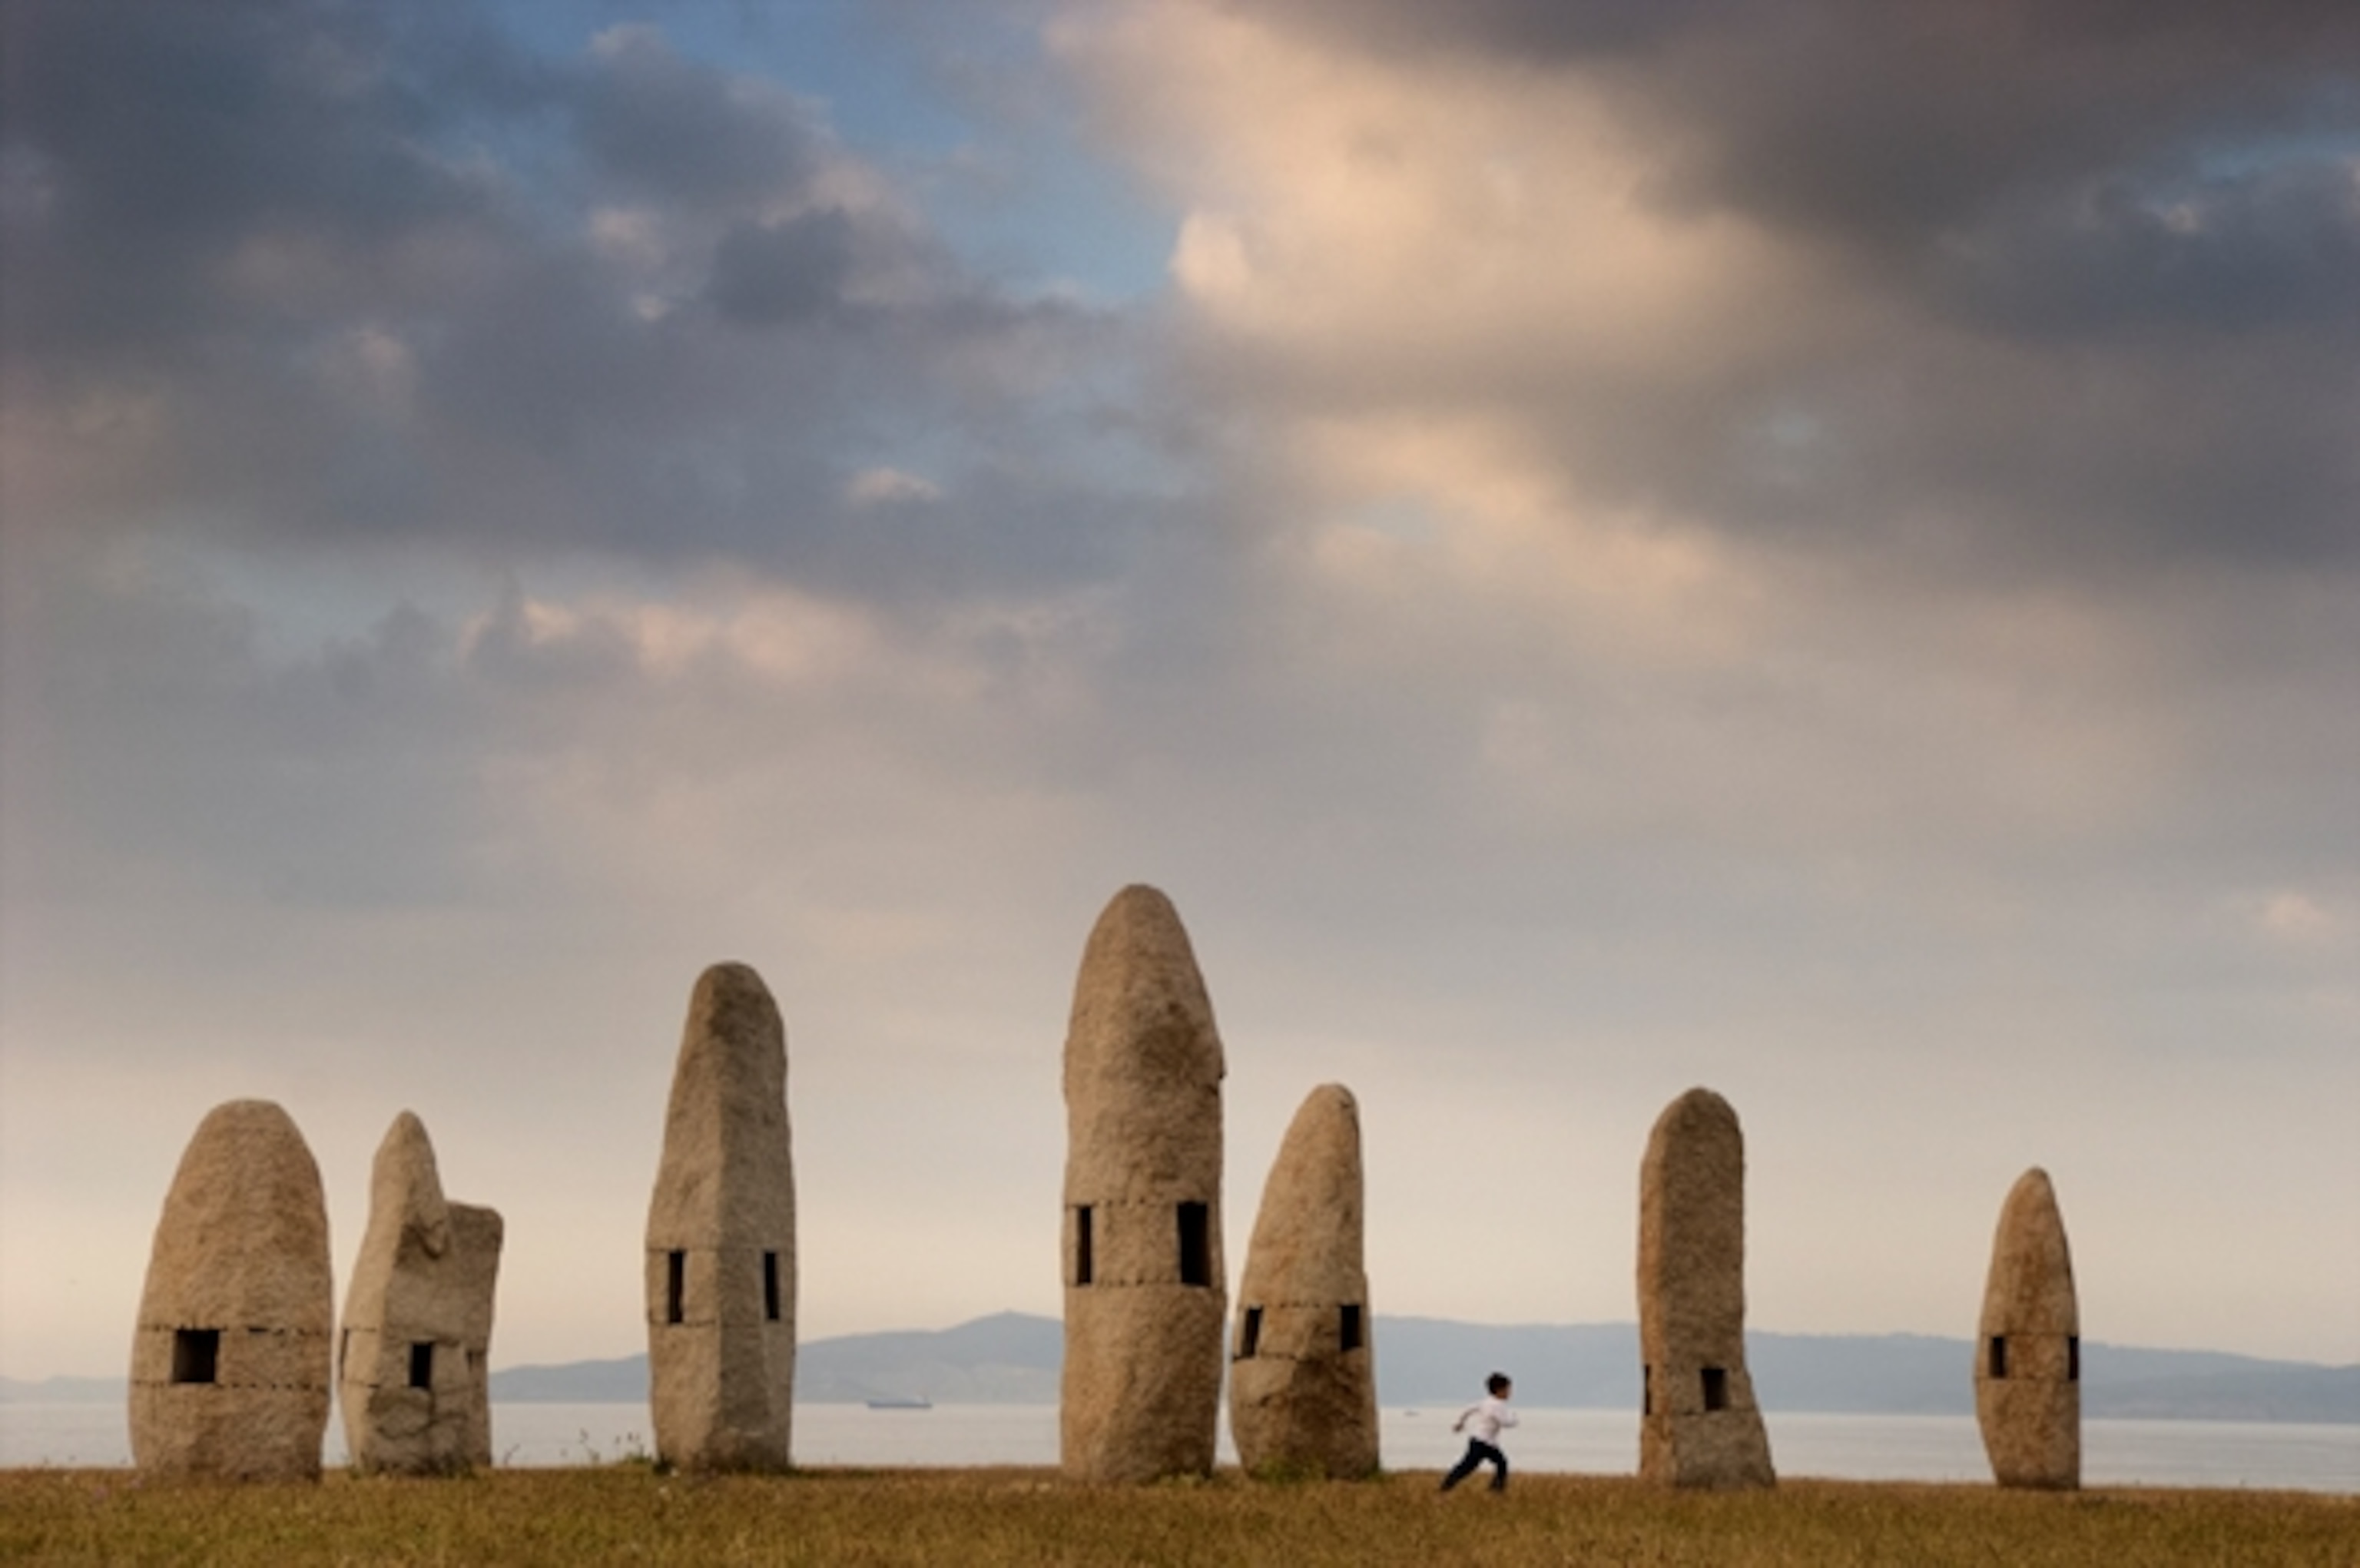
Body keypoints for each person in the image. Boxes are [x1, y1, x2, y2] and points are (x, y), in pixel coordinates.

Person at [1440, 1371, 1516, 1493]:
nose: (1510, 1392)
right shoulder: (1497, 1405)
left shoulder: (1486, 1402)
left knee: (1501, 1463)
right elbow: (1505, 1422)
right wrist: (1514, 1419)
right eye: (1508, 1389)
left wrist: (1460, 1423)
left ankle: (1496, 1490)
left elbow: (1468, 1410)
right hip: (1482, 1443)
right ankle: (1445, 1487)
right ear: (1499, 1390)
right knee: (1467, 1467)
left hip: (1484, 1442)